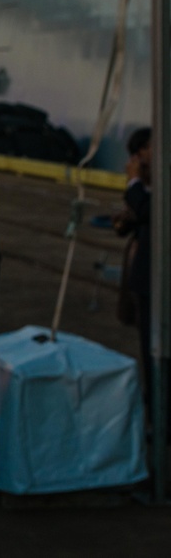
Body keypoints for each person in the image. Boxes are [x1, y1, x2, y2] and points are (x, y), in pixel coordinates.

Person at [121, 127, 168, 435]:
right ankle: (155, 412)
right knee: (150, 351)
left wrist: (134, 184)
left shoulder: (151, 187)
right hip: (148, 280)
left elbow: (154, 212)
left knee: (158, 351)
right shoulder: (152, 186)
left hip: (160, 282)